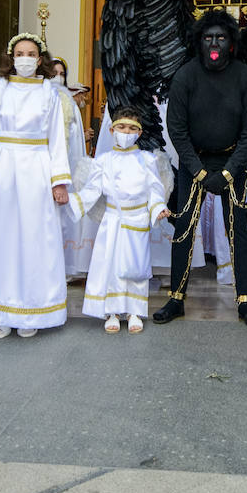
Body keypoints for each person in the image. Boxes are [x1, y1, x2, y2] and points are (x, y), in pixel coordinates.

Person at [151, 10, 247, 328]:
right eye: (208, 37)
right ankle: (176, 298)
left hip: (234, 162)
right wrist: (199, 171)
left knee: (238, 231)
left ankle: (246, 302)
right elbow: (177, 129)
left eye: (221, 37)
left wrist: (229, 171)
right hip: (194, 163)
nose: (214, 42)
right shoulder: (185, 75)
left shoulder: (246, 76)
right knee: (184, 228)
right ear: (199, 42)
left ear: (231, 43)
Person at [0, 33, 72, 338]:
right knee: (1, 240)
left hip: (37, 167)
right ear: (11, 57)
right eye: (19, 53)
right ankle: (0, 311)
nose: (24, 58)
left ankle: (32, 311)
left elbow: (57, 140)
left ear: (39, 59)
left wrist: (59, 181)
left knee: (35, 238)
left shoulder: (50, 93)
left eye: (30, 53)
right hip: (3, 169)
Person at [68, 109, 171, 333]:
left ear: (139, 132)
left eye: (132, 128)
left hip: (137, 219)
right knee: (111, 266)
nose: (127, 132)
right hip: (113, 220)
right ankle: (112, 312)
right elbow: (92, 190)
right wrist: (70, 203)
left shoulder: (147, 160)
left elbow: (154, 190)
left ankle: (135, 311)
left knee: (136, 268)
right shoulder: (103, 161)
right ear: (112, 130)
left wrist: (158, 208)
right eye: (122, 127)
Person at [51, 56, 96, 278]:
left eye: (61, 74)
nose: (58, 78)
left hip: (70, 165)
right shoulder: (43, 99)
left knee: (67, 217)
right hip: (50, 166)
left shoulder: (69, 103)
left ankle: (68, 266)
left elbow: (74, 139)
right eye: (54, 73)